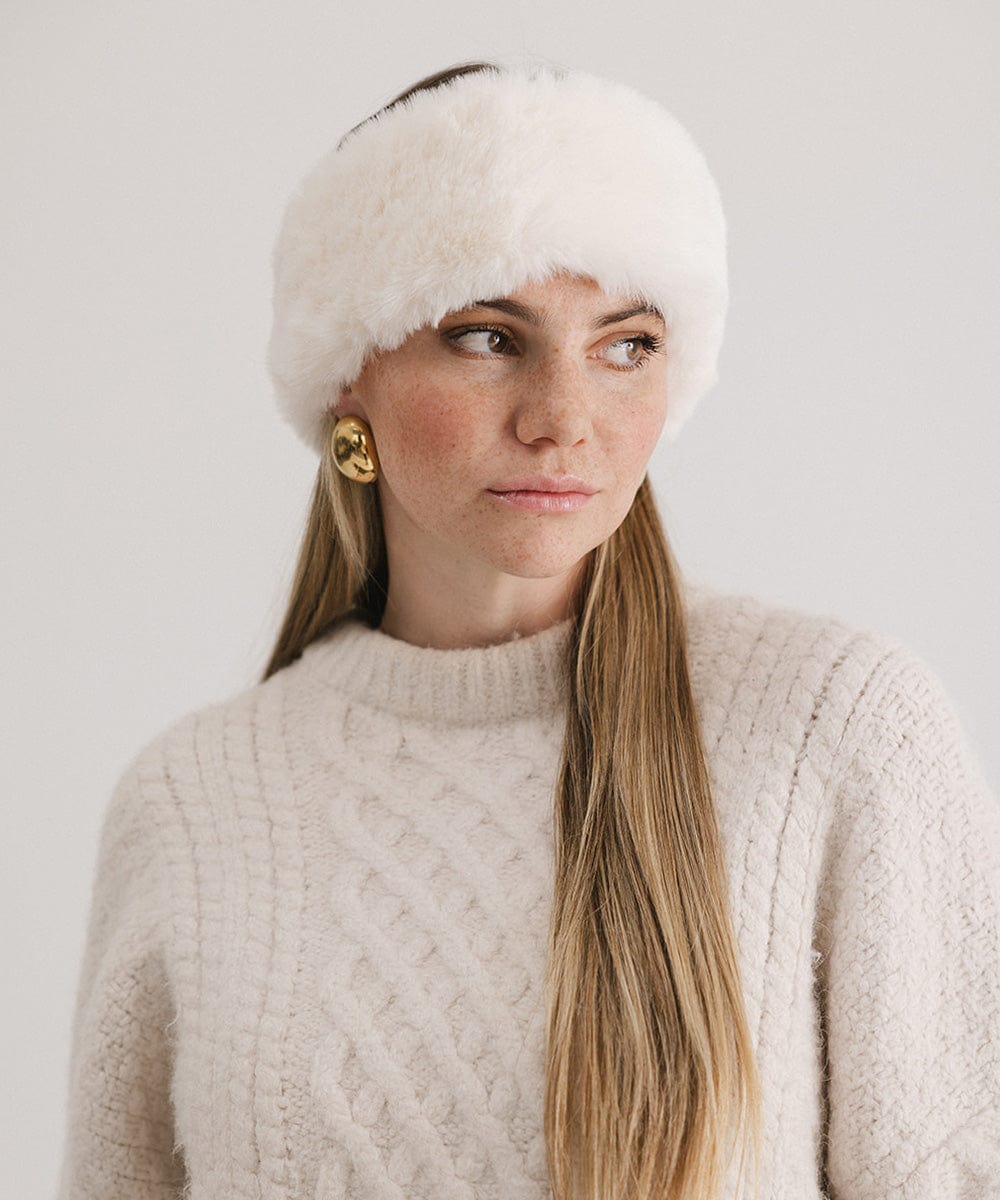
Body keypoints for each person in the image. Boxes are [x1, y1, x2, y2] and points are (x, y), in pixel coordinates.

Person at [55, 60, 1000, 1200]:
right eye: (488, 337)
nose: (565, 420)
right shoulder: (193, 799)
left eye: (625, 346)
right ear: (348, 376)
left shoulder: (833, 729)